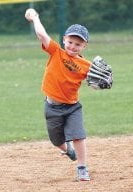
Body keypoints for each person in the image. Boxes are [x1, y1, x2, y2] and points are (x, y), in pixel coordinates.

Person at [25, 8, 91, 181]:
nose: (73, 46)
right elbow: (41, 35)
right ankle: (67, 150)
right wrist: (35, 18)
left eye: (78, 44)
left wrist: (103, 82)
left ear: (84, 46)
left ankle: (82, 168)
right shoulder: (56, 52)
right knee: (56, 140)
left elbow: (97, 81)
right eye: (70, 42)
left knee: (78, 135)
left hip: (72, 107)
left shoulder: (86, 65)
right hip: (52, 107)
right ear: (64, 40)